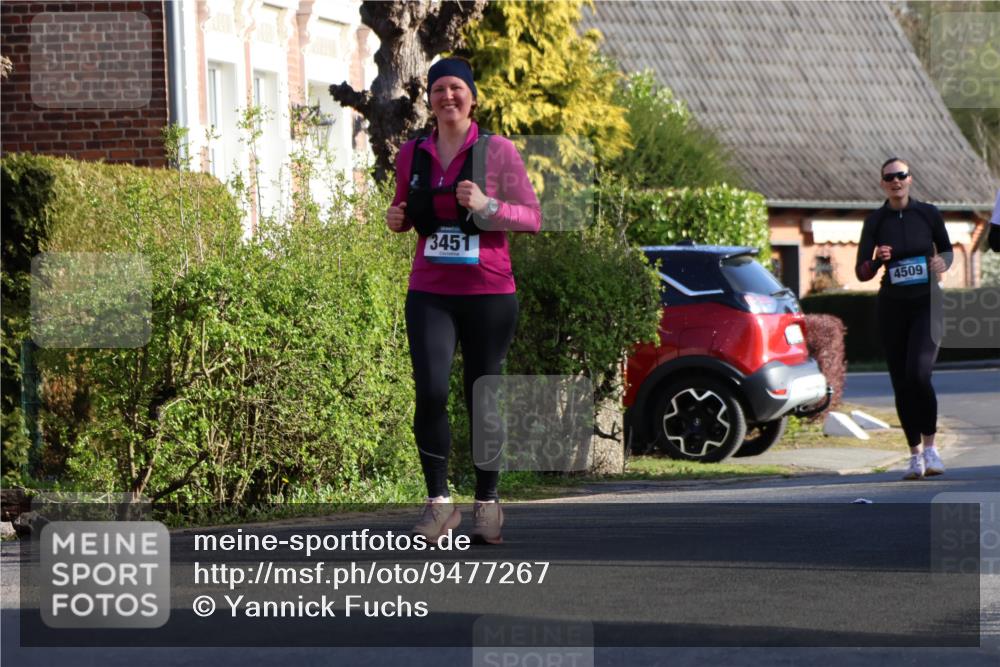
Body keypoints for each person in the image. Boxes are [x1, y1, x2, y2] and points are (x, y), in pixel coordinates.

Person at [385, 57, 541, 544]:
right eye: (439, 90)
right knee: (430, 392)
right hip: (430, 291)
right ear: (429, 100)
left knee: (483, 398)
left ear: (472, 97)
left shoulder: (497, 152)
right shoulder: (412, 153)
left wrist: (488, 206)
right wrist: (397, 219)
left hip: (489, 293)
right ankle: (438, 503)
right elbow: (408, 211)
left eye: (456, 89)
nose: (447, 97)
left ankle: (488, 501)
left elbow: (532, 217)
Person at [855, 158, 952, 480]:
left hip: (927, 303)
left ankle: (931, 448)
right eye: (889, 177)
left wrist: (942, 264)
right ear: (882, 183)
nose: (896, 181)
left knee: (919, 374)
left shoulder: (928, 213)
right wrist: (877, 260)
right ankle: (913, 455)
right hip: (893, 307)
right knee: (901, 381)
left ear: (910, 179)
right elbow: (862, 271)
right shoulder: (876, 221)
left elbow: (948, 251)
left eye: (901, 175)